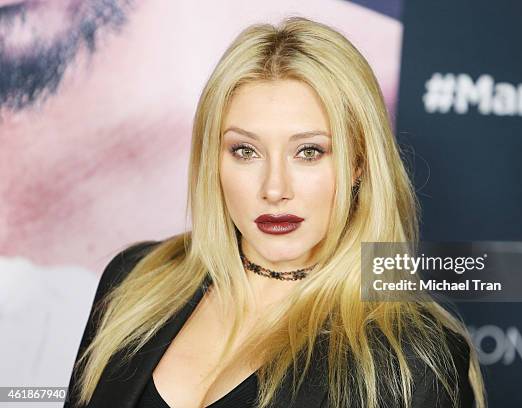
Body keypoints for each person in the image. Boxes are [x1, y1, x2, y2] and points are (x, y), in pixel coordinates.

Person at [64, 17, 486, 408]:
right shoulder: (134, 280)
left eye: (309, 152)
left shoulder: (413, 361)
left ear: (359, 163)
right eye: (245, 151)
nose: (274, 189)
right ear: (213, 159)